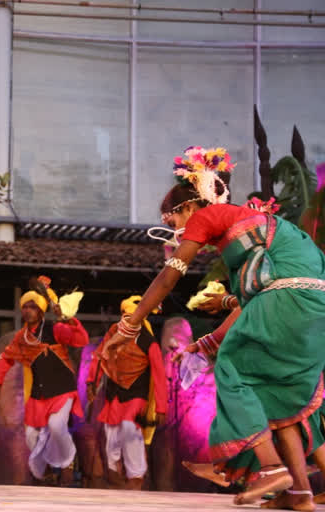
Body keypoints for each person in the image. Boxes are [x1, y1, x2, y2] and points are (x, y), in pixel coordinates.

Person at [103, 146, 325, 509]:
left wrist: (129, 326)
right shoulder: (254, 235)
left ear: (188, 207)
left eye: (172, 221)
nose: (175, 231)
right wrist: (207, 341)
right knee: (276, 393)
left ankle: (270, 469)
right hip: (312, 307)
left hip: (290, 301)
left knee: (233, 366)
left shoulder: (209, 216)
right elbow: (254, 304)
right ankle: (299, 492)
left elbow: (167, 278)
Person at [0, 277, 89, 485]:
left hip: (62, 388)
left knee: (56, 425)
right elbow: (7, 357)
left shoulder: (55, 329)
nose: (28, 311)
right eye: (25, 307)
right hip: (39, 393)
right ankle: (45, 475)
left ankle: (68, 463)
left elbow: (81, 340)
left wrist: (70, 320)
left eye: (33, 307)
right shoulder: (22, 337)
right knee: (31, 437)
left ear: (41, 311)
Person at [87, 296, 167, 489]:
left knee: (130, 429)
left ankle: (136, 475)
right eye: (124, 316)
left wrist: (161, 407)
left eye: (131, 317)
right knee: (111, 433)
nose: (126, 320)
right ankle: (114, 470)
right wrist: (92, 381)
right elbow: (99, 357)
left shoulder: (148, 342)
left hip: (137, 394)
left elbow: (159, 375)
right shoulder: (114, 334)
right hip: (114, 394)